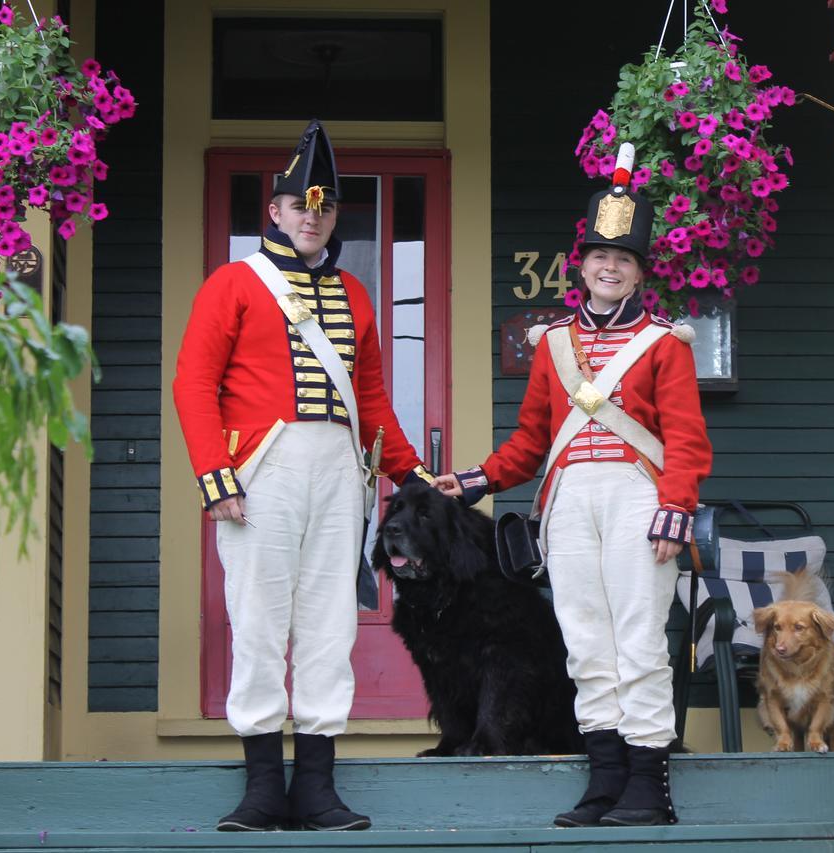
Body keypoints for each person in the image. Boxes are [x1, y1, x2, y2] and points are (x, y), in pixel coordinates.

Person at [433, 143, 712, 828]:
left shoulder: (664, 342)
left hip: (638, 495)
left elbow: (687, 438)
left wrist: (676, 505)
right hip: (568, 499)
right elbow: (533, 439)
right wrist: (476, 479)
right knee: (585, 639)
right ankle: (606, 778)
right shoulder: (555, 343)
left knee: (639, 637)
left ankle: (649, 784)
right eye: (598, 257)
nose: (609, 267)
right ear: (581, 264)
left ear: (639, 270)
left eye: (622, 259)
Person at [173, 120, 434, 833]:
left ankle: (316, 786)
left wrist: (411, 473)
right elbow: (194, 384)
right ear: (276, 211)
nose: (311, 216)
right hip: (263, 466)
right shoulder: (233, 284)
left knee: (328, 623)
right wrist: (215, 474)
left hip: (338, 470)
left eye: (323, 207)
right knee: (258, 620)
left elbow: (372, 399)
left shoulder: (354, 294)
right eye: (299, 205)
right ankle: (263, 787)